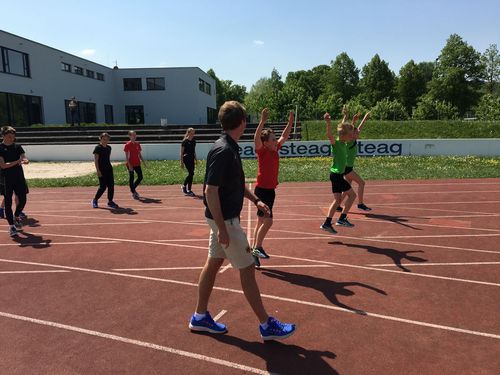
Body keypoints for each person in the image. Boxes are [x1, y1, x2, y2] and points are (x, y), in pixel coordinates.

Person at [189, 100, 296, 341]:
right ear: (243, 123)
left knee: (214, 262)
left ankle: (199, 316)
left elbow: (235, 185)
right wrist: (221, 228)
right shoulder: (224, 150)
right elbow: (209, 190)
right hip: (225, 221)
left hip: (223, 219)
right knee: (248, 268)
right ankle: (267, 325)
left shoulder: (229, 147)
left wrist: (255, 200)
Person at [251, 108, 294, 269]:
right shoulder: (262, 151)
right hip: (261, 191)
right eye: (273, 139)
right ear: (266, 142)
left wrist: (290, 122)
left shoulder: (276, 149)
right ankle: (257, 248)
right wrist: (262, 121)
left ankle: (254, 253)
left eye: (276, 139)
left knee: (260, 222)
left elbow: (285, 135)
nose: (276, 141)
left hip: (270, 191)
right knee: (268, 222)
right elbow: (256, 138)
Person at [320, 111, 356, 234]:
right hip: (337, 176)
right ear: (344, 135)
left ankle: (327, 223)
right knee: (352, 195)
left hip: (336, 175)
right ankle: (341, 219)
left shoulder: (344, 143)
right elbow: (329, 134)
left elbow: (343, 128)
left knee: (337, 200)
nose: (352, 137)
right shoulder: (336, 143)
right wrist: (328, 122)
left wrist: (347, 118)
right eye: (350, 135)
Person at [0, 126, 29, 237]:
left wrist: (25, 160)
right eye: (9, 136)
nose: (12, 138)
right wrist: (17, 161)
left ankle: (16, 215)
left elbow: (24, 157)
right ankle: (11, 226)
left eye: (13, 136)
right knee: (8, 202)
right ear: (3, 136)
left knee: (23, 200)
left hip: (19, 177)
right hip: (6, 179)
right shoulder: (1, 148)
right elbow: (3, 165)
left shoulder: (17, 146)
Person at [343, 111, 372, 211]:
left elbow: (359, 128)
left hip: (347, 167)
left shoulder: (353, 139)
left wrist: (365, 118)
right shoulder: (350, 140)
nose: (358, 133)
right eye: (356, 133)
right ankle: (360, 204)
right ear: (352, 134)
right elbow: (350, 130)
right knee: (361, 183)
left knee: (347, 188)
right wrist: (353, 121)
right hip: (347, 168)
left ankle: (337, 205)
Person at [92, 133, 118, 209]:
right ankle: (95, 200)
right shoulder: (98, 148)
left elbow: (108, 159)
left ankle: (110, 201)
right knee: (102, 187)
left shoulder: (109, 148)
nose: (105, 141)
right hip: (101, 170)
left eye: (107, 139)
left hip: (109, 169)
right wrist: (98, 171)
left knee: (111, 186)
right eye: (104, 139)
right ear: (100, 139)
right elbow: (96, 160)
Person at [124, 130, 146, 199]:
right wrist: (130, 165)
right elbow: (127, 157)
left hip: (137, 163)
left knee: (140, 177)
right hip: (130, 164)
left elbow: (139, 154)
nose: (134, 136)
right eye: (133, 135)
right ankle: (133, 192)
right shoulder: (127, 145)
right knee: (132, 177)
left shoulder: (137, 144)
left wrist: (144, 162)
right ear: (129, 136)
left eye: (135, 135)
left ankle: (132, 188)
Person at [180, 127, 197, 196]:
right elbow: (181, 152)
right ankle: (184, 185)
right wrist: (181, 162)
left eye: (194, 133)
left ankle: (189, 189)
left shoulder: (194, 141)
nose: (193, 134)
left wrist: (196, 159)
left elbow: (194, 151)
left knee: (191, 174)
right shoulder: (185, 141)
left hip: (191, 158)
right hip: (186, 159)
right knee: (191, 173)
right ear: (188, 133)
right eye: (192, 133)